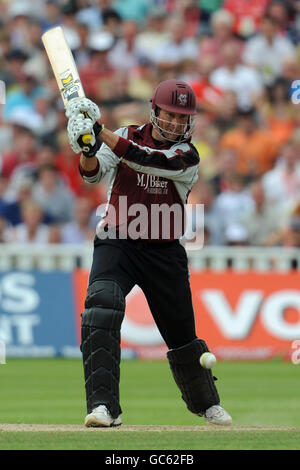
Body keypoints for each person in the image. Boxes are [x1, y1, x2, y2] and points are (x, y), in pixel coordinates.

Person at [66, 79, 232, 427]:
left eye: (181, 117)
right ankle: (103, 407)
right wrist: (86, 149)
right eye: (169, 115)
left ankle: (206, 404)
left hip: (164, 252)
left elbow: (146, 160)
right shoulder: (126, 133)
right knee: (100, 309)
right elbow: (92, 176)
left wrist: (99, 130)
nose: (175, 123)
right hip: (118, 241)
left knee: (182, 336)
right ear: (154, 111)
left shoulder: (187, 156)